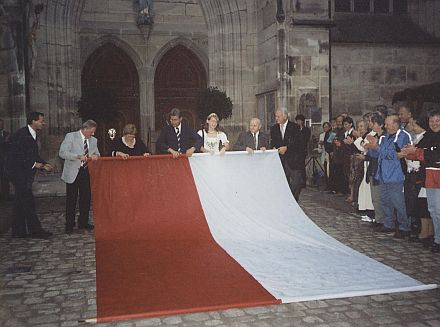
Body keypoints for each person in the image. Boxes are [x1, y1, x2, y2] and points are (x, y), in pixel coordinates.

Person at [6, 112, 53, 239]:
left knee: (20, 203)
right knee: (28, 202)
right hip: (18, 174)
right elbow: (17, 155)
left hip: (24, 173)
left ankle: (18, 231)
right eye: (41, 121)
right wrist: (36, 164)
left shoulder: (32, 134)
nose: (43, 123)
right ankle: (36, 230)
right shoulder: (21, 135)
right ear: (33, 121)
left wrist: (44, 163)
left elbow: (32, 154)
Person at [402, 109, 440, 252]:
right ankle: (437, 239)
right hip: (429, 176)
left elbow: (435, 155)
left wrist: (415, 152)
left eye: (437, 121)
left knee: (439, 210)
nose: (434, 124)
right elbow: (418, 151)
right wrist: (409, 151)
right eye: (432, 121)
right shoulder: (428, 136)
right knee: (433, 210)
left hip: (438, 174)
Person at [368, 114, 412, 238]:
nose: (385, 126)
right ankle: (388, 223)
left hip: (396, 174)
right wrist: (372, 147)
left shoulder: (403, 136)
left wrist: (378, 148)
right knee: (385, 200)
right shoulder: (385, 137)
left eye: (387, 124)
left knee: (398, 201)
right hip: (383, 173)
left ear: (395, 124)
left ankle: (404, 226)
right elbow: (377, 154)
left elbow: (399, 154)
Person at [59, 120, 100, 234]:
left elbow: (97, 153)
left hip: (86, 172)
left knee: (86, 199)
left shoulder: (94, 140)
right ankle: (69, 225)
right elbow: (62, 153)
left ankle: (83, 222)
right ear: (85, 129)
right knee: (71, 200)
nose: (93, 134)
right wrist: (77, 156)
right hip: (73, 172)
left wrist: (96, 156)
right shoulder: (71, 136)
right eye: (91, 132)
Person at [270, 108, 304, 201]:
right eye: (275, 116)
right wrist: (273, 148)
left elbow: (300, 143)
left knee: (296, 183)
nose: (276, 118)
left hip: (294, 160)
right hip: (280, 161)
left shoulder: (295, 127)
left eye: (278, 116)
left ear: (285, 116)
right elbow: (273, 142)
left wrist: (287, 148)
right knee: (283, 184)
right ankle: (287, 202)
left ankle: (293, 200)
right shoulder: (274, 129)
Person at [0, 118, 11, 201]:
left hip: (5, 160)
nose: (1, 125)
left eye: (2, 124)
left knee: (5, 178)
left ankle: (6, 196)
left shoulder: (7, 134)